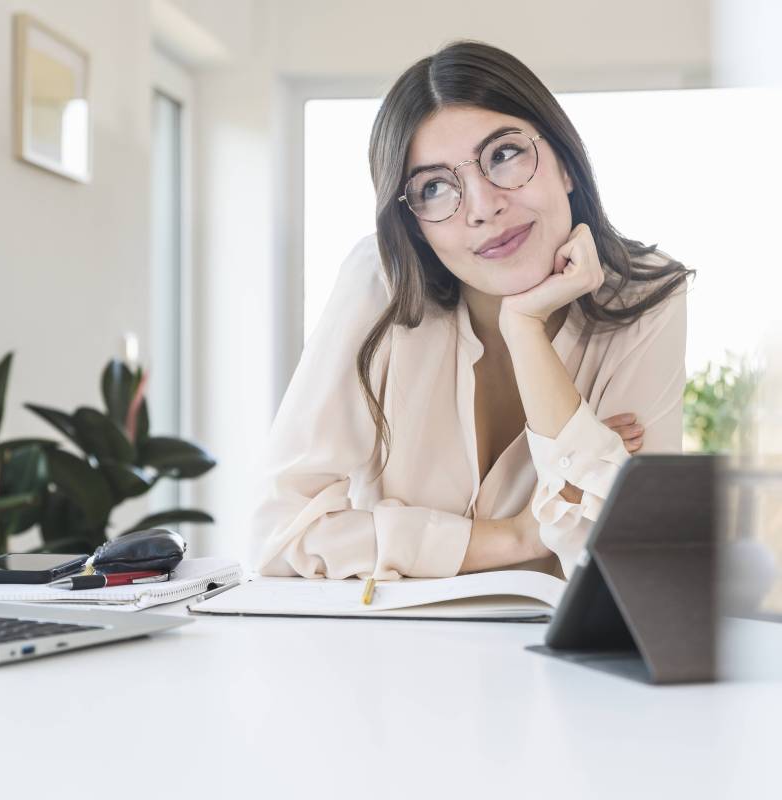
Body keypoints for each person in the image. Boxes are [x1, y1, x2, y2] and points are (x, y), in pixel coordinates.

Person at [250, 40, 693, 581]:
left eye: (504, 156)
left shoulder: (648, 298)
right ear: (415, 224)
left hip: (558, 661)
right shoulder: (381, 279)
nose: (484, 208)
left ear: (566, 163)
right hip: (386, 657)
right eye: (435, 187)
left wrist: (525, 326)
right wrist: (517, 537)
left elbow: (626, 559)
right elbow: (279, 537)